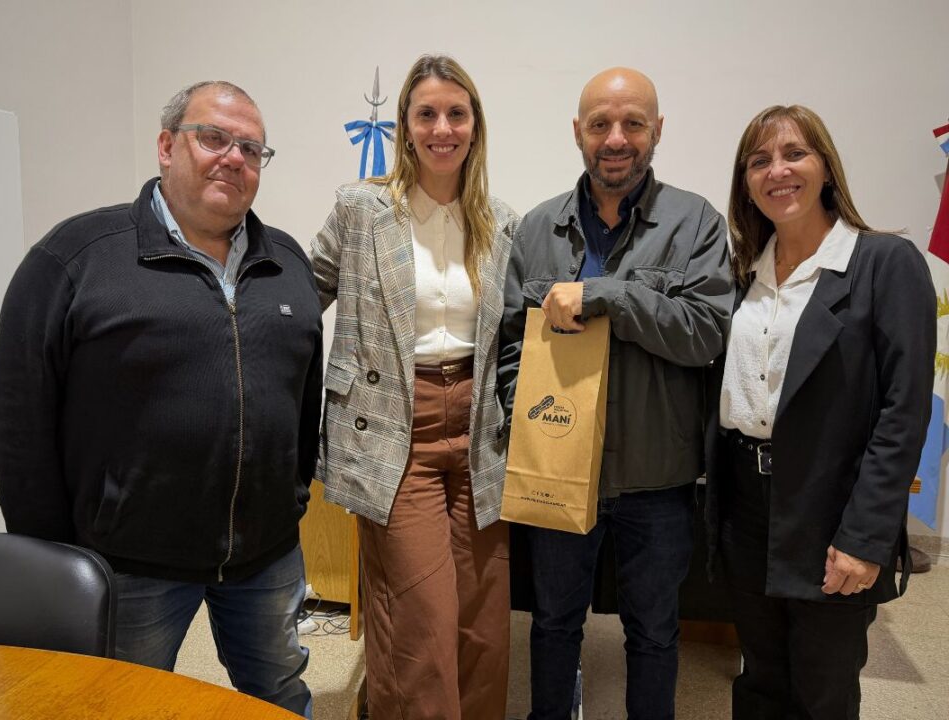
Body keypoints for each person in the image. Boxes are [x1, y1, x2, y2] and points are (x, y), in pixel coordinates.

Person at [0, 81, 322, 718]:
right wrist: (54, 551)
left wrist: (291, 499)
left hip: (266, 556)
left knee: (280, 696)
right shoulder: (77, 257)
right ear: (167, 146)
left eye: (252, 148)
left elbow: (304, 401)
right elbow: (15, 416)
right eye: (214, 137)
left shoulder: (287, 262)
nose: (234, 158)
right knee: (117, 706)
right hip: (129, 564)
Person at [498, 67, 733, 720]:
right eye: (600, 123)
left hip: (658, 481)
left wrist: (609, 296)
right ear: (578, 131)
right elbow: (510, 346)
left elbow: (707, 333)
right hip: (557, 471)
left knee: (654, 632)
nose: (616, 138)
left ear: (658, 130)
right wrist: (527, 420)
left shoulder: (696, 223)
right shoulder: (535, 229)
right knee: (552, 623)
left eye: (633, 123)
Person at [708, 104, 936, 719]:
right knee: (760, 679)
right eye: (759, 161)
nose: (777, 171)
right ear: (746, 183)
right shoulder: (741, 275)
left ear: (827, 168)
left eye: (795, 154)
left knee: (822, 688)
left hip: (829, 508)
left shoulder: (885, 264)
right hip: (745, 507)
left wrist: (864, 537)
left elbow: (903, 414)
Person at [310, 55, 518, 719]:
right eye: (426, 114)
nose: (442, 128)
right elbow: (299, 297)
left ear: (476, 126)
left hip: (480, 431)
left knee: (484, 621)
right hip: (394, 427)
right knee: (421, 617)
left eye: (456, 113)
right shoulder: (361, 211)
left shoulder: (500, 223)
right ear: (404, 125)